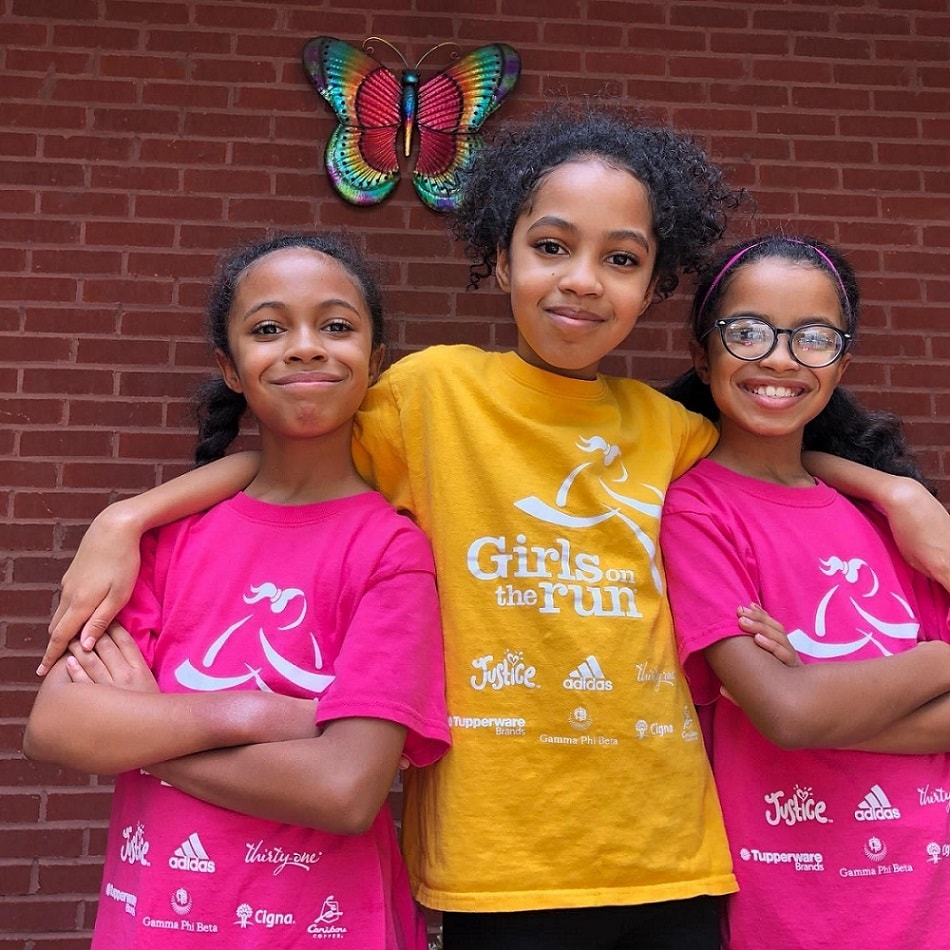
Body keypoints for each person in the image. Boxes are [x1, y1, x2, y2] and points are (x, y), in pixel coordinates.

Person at [33, 106, 950, 949]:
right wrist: (130, 514)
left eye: (622, 260)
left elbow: (772, 450)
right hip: (496, 862)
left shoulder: (672, 431)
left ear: (652, 285)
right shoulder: (430, 393)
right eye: (553, 246)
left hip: (673, 850)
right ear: (503, 258)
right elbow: (300, 446)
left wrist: (901, 497)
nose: (583, 282)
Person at [24, 233, 450, 950]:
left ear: (376, 363)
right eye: (269, 328)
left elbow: (345, 790)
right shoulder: (171, 540)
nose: (306, 347)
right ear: (231, 367)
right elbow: (57, 726)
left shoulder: (392, 551)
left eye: (337, 325)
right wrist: (258, 711)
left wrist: (146, 731)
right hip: (153, 926)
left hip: (330, 930)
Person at [661, 235, 950, 949]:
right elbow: (787, 715)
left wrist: (824, 697)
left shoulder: (891, 522)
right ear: (703, 355)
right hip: (792, 910)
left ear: (841, 363)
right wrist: (935, 662)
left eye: (813, 337)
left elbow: (797, 708)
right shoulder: (695, 512)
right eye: (749, 331)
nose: (781, 358)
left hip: (929, 904)